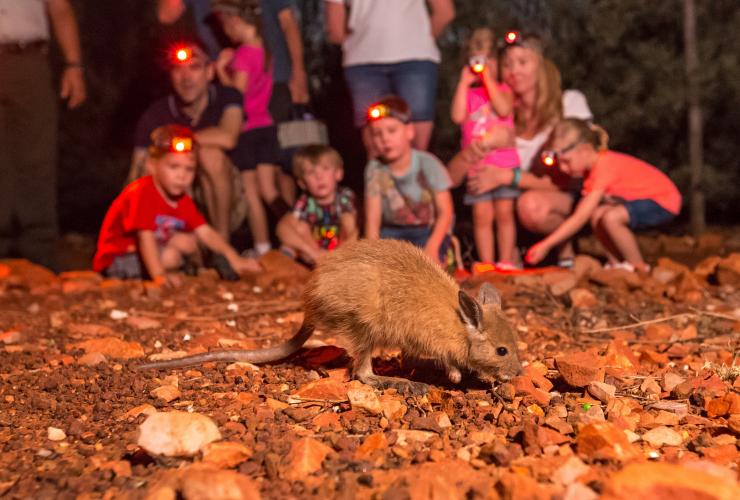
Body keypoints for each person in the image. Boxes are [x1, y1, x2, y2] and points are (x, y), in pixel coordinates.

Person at [448, 32, 592, 267]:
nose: (514, 70)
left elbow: (575, 175)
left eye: (523, 62)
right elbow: (451, 178)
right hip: (509, 210)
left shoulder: (570, 104)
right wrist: (480, 147)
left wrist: (506, 176)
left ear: (542, 67)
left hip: (572, 200)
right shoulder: (490, 113)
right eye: (507, 64)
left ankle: (566, 251)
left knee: (531, 205)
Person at [94, 125, 260, 286]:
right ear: (152, 165)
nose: (182, 176)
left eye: (189, 169)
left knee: (187, 242)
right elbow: (145, 239)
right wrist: (159, 275)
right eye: (173, 167)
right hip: (119, 258)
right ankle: (157, 277)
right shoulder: (142, 192)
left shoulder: (181, 200)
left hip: (150, 254)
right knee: (171, 256)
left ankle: (190, 270)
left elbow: (206, 233)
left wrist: (235, 258)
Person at [525, 119, 681, 272]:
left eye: (567, 161)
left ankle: (638, 266)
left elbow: (580, 217)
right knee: (597, 215)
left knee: (611, 218)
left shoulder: (604, 166)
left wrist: (546, 245)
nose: (563, 168)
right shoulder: (592, 170)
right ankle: (616, 264)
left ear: (585, 150)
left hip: (664, 200)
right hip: (642, 200)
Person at [0, 0, 87, 270]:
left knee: (36, 154)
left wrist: (74, 65)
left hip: (27, 59)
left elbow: (59, 7)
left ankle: (38, 249)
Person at [130, 37, 242, 240]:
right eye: (177, 69)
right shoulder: (155, 115)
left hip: (231, 201)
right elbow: (135, 172)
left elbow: (228, 137)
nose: (186, 77)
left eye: (194, 68)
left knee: (210, 155)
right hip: (176, 203)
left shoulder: (228, 97)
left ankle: (222, 245)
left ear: (210, 72)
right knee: (149, 164)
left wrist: (173, 139)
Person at [324, 0, 455, 153]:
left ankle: (414, 175)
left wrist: (420, 38)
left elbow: (445, 12)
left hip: (413, 59)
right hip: (364, 63)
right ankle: (379, 177)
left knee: (417, 143)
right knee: (376, 142)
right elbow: (335, 28)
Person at [212, 0, 289, 257]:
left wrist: (222, 71)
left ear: (234, 21)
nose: (225, 32)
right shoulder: (265, 48)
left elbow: (238, 95)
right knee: (271, 191)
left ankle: (263, 248)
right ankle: (297, 232)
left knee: (252, 192)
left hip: (248, 130)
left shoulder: (243, 54)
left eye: (225, 26)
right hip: (266, 125)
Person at [450, 27, 519, 268]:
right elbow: (457, 117)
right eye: (476, 59)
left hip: (503, 164)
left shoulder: (504, 90)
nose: (482, 65)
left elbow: (503, 109)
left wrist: (488, 78)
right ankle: (487, 263)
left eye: (488, 59)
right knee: (481, 216)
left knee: (504, 214)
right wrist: (463, 82)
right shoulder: (469, 94)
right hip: (477, 167)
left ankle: (506, 261)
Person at [364, 96, 454, 265]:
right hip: (392, 234)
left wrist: (432, 248)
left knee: (427, 273)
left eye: (392, 130)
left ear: (409, 131)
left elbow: (446, 212)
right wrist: (372, 257)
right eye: (377, 133)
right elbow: (373, 221)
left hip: (427, 232)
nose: (384, 139)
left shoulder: (428, 163)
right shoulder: (374, 169)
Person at [276, 144, 357, 265]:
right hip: (313, 255)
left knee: (349, 221)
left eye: (325, 169)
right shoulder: (305, 201)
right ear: (302, 183)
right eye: (311, 172)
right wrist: (313, 253)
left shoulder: (345, 196)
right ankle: (286, 277)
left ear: (338, 173)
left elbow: (354, 232)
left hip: (342, 253)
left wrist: (337, 256)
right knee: (295, 233)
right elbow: (282, 228)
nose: (319, 177)